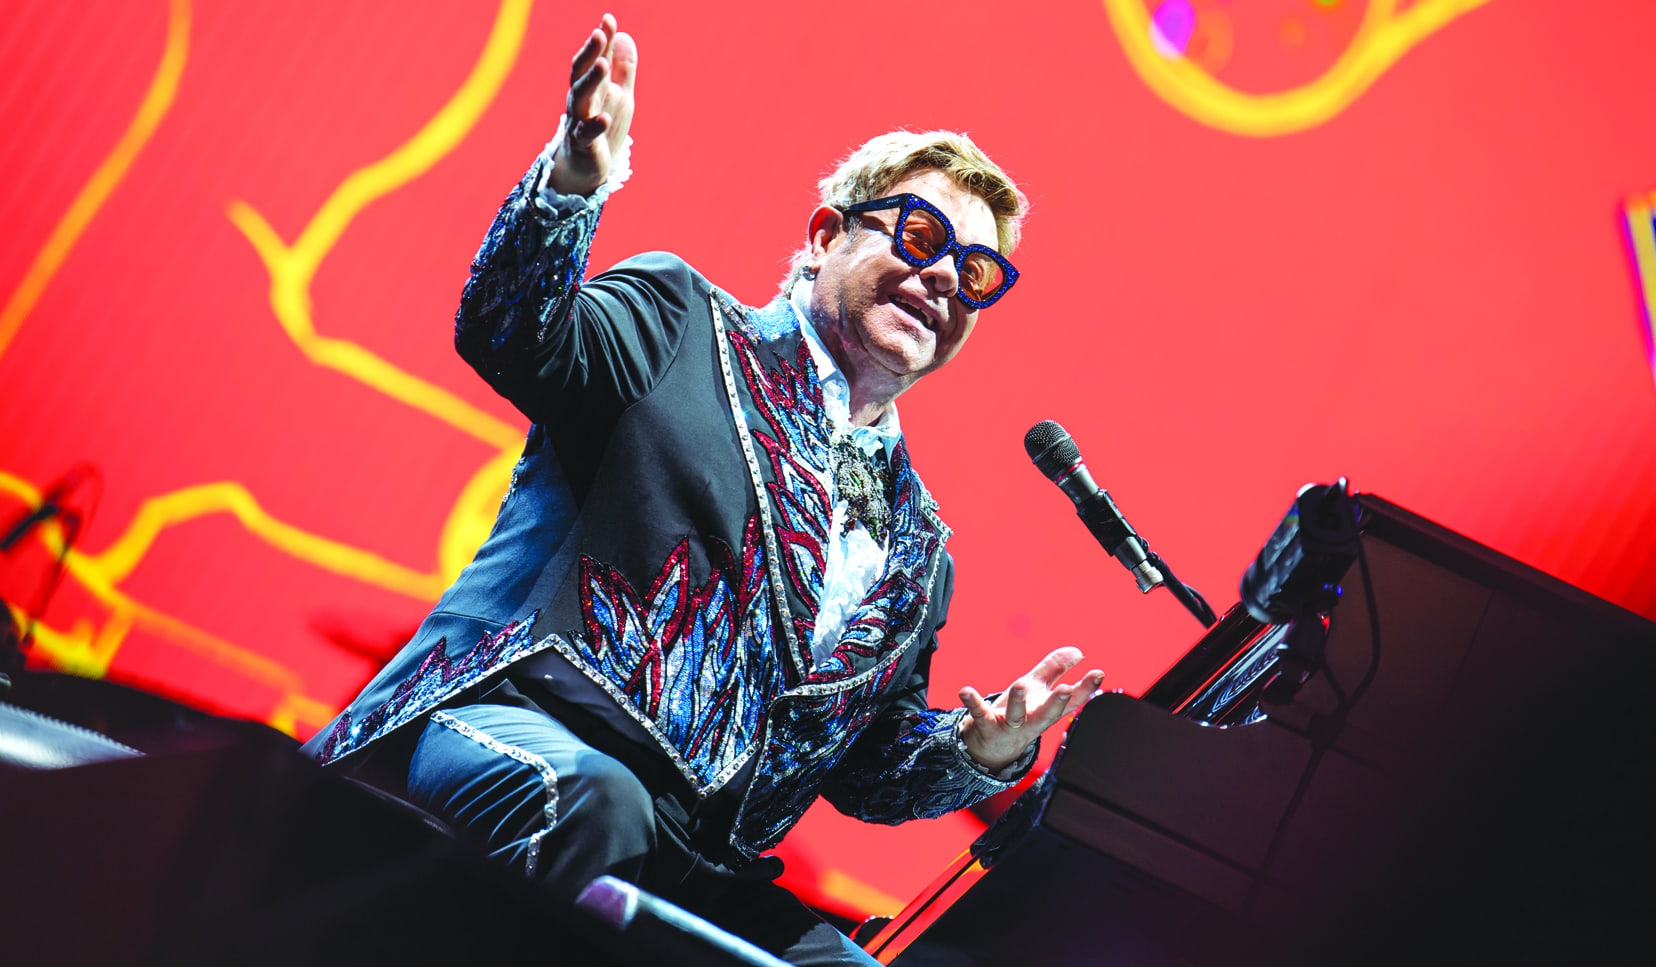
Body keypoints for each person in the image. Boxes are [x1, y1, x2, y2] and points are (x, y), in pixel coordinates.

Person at [301, 14, 1104, 965]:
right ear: (825, 236)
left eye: (975, 273)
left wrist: (982, 750)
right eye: (921, 236)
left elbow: (866, 774)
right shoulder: (679, 319)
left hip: (706, 858)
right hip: (517, 729)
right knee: (600, 803)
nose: (942, 281)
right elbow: (510, 333)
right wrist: (573, 181)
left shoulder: (919, 547)